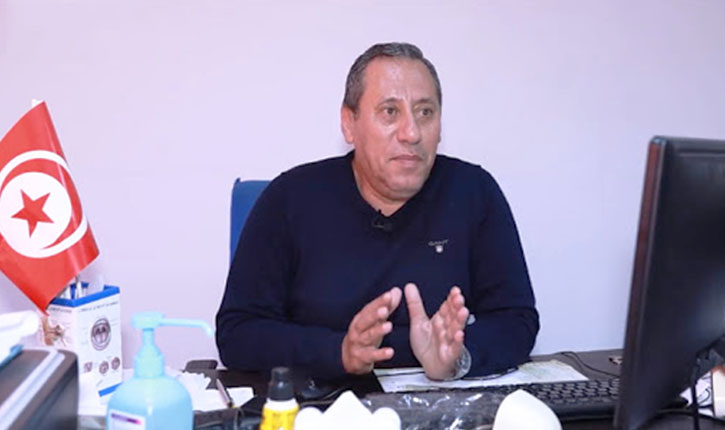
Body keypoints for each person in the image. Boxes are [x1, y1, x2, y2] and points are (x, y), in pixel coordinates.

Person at [216, 42, 539, 381]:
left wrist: (457, 358)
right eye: (390, 112)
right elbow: (238, 333)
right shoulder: (289, 199)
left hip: (442, 401)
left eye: (425, 112)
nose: (411, 133)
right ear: (349, 123)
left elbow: (516, 319)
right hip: (324, 402)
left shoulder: (473, 192)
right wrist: (339, 352)